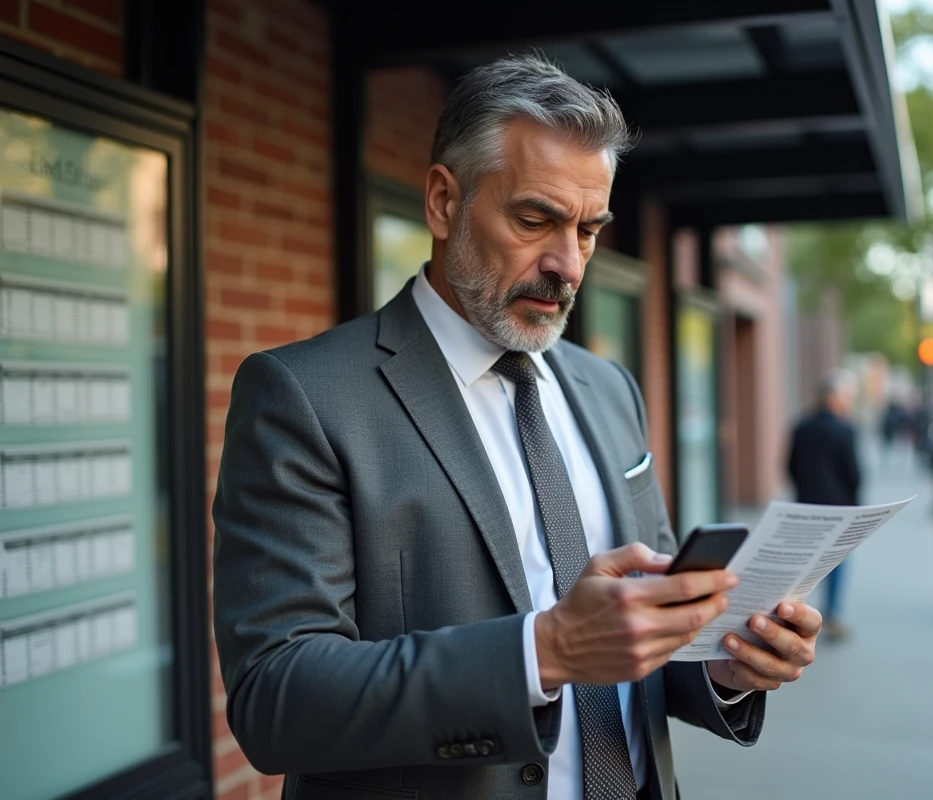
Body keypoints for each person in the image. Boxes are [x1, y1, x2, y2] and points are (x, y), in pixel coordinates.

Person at [212, 55, 822, 800]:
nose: (568, 264)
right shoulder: (304, 396)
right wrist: (545, 651)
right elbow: (275, 697)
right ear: (444, 202)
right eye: (535, 221)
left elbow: (650, 628)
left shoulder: (609, 389)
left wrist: (725, 665)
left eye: (589, 231)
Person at [787, 369, 862, 641]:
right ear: (834, 397)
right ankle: (832, 615)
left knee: (804, 564)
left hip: (806, 506)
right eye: (847, 396)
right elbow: (853, 473)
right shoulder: (844, 429)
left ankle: (793, 615)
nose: (849, 402)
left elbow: (790, 466)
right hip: (838, 508)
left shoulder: (801, 426)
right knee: (836, 562)